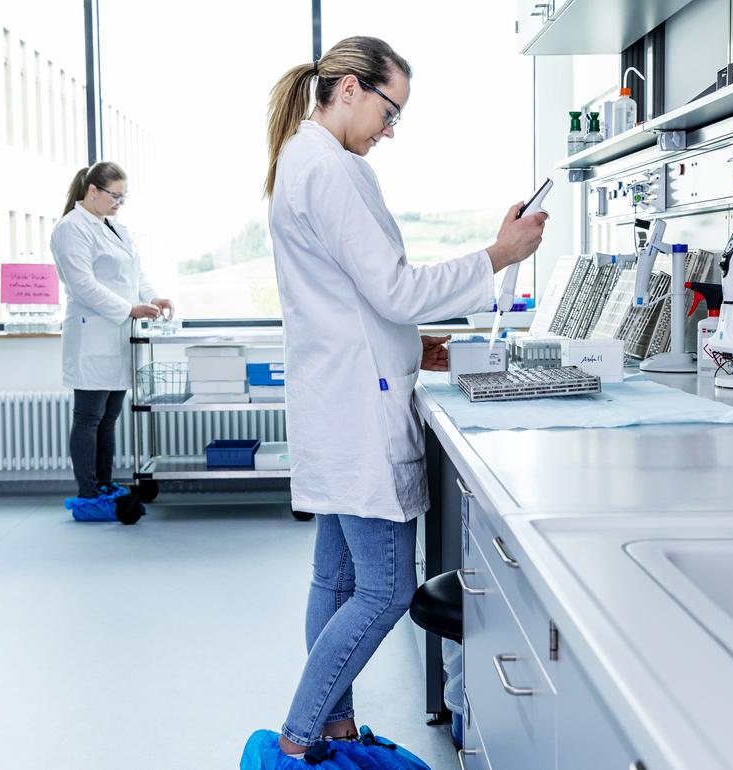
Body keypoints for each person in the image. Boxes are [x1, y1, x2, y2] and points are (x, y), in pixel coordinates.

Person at [242, 36, 547, 768]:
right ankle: (299, 740)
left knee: (336, 579)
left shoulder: (302, 159)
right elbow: (394, 290)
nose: (389, 129)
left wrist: (418, 347)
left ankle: (333, 733)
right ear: (349, 88)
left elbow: (359, 301)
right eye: (389, 110)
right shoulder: (333, 170)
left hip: (340, 395)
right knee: (383, 591)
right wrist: (498, 255)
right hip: (356, 409)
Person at [50, 161, 173, 520]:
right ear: (92, 191)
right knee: (88, 417)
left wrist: (153, 298)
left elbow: (134, 273)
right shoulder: (71, 229)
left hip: (117, 335)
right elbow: (82, 285)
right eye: (114, 196)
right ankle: (87, 493)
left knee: (109, 417)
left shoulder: (114, 228)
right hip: (92, 335)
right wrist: (130, 309)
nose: (120, 203)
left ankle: (104, 484)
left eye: (124, 197)